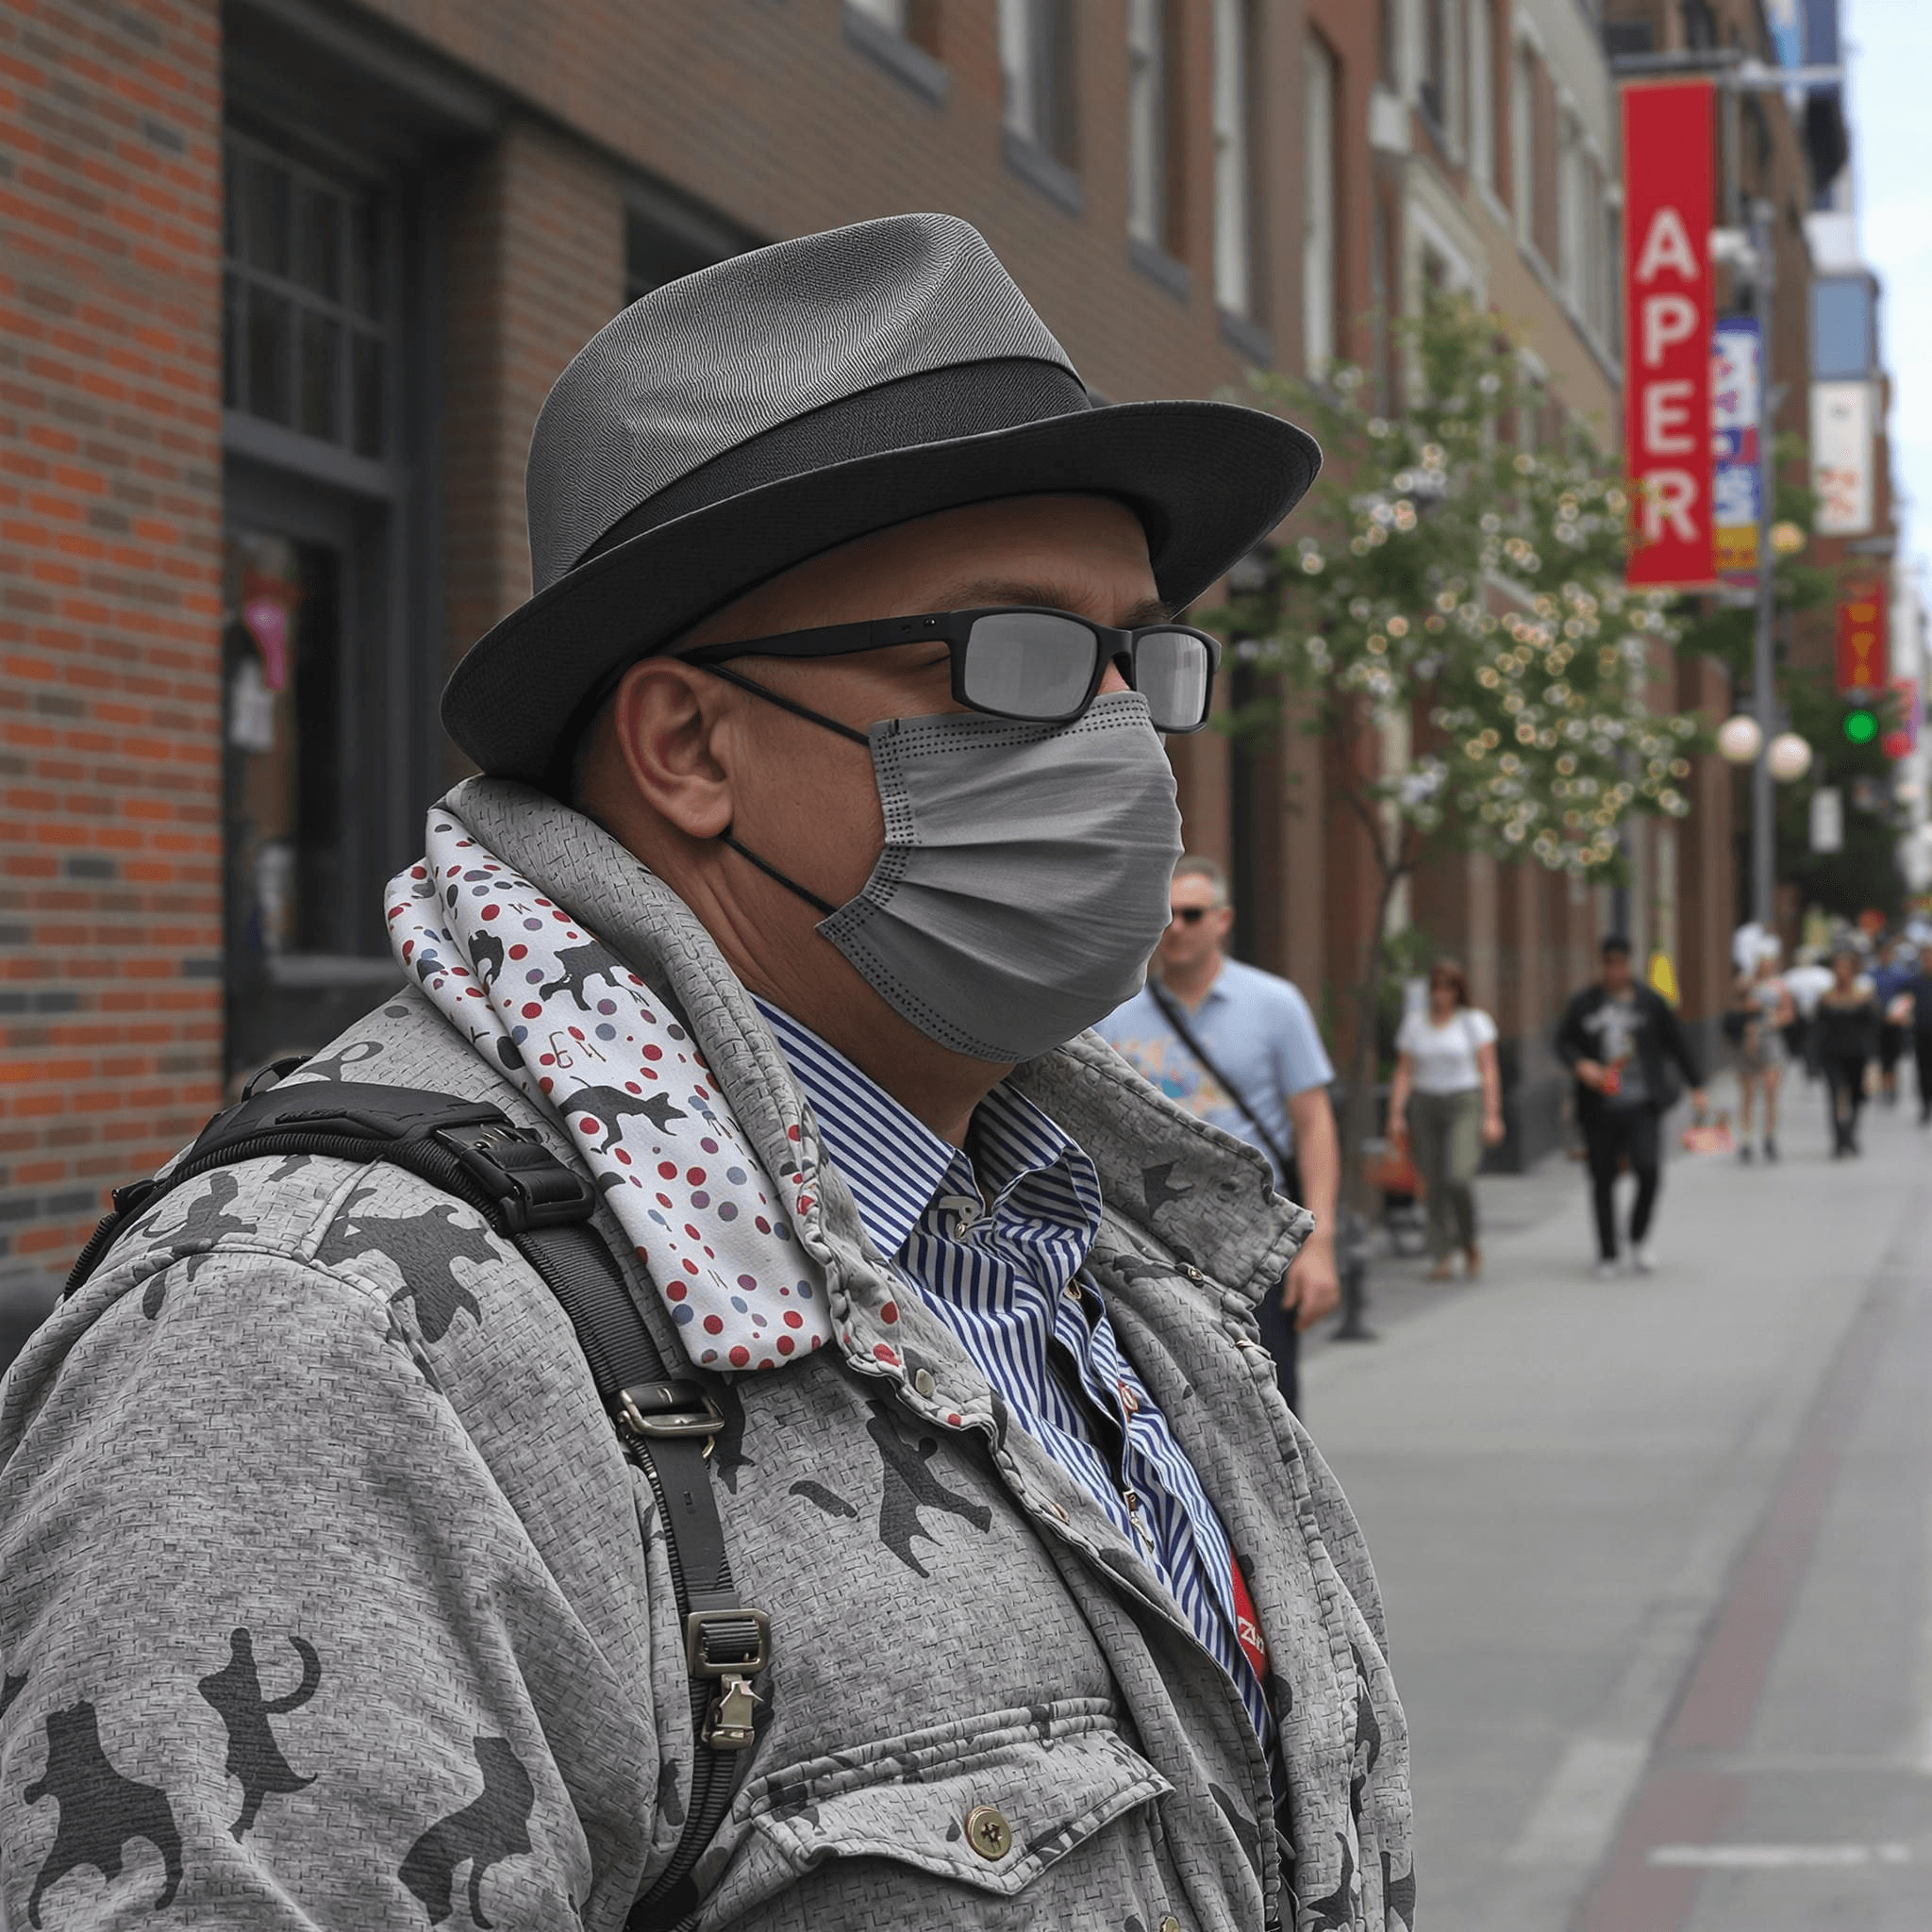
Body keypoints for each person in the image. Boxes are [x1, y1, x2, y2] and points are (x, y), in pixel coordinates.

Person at [0, 218, 1411, 1929]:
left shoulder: (1087, 1254)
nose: (1116, 732)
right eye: (1012, 657)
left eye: (1130, 658)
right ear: (687, 745)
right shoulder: (325, 1341)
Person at [1094, 856, 1341, 1415]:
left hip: (1254, 1238)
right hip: (1147, 1239)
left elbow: (1314, 1124)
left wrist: (1319, 1246)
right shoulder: (1115, 1012)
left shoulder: (1274, 1005)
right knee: (1161, 1403)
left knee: (1265, 1398)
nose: (1176, 927)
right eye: (1166, 915)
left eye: (1192, 914)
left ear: (1222, 920)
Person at [1555, 935, 1707, 1278]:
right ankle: (1608, 1252)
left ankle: (1637, 1237)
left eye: (1620, 962)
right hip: (1599, 1106)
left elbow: (1676, 1043)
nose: (1614, 969)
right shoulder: (1585, 1005)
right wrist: (1582, 1065)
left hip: (1642, 1104)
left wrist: (1697, 1085)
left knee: (1649, 1169)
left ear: (1629, 963)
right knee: (1602, 1178)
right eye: (1608, 962)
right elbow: (1562, 1042)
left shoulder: (1650, 1003)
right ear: (1601, 964)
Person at [1385, 958, 1505, 1280]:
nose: (1442, 994)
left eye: (1448, 987)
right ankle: (1441, 1254)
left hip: (1464, 1101)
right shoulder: (1415, 1023)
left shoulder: (1473, 1022)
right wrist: (1396, 1113)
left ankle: (1468, 1240)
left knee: (1457, 1177)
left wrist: (1492, 1114)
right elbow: (1404, 1071)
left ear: (1458, 990)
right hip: (1425, 1104)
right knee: (1433, 1183)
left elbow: (1489, 1068)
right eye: (1436, 986)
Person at [1724, 946, 1794, 1163]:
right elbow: (1734, 1004)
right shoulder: (1746, 982)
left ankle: (1769, 1137)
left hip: (1769, 1040)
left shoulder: (1779, 986)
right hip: (1747, 1040)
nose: (1765, 966)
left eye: (1768, 962)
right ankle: (1745, 1139)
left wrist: (1774, 1020)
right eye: (1761, 962)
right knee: (1747, 1092)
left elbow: (1789, 1013)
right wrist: (1746, 1000)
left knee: (1771, 1090)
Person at [1816, 944, 1881, 1157]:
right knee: (1835, 1096)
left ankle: (1851, 1133)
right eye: (1838, 967)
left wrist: (1874, 1057)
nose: (1841, 972)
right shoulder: (1825, 997)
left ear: (1853, 970)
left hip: (1857, 1054)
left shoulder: (1864, 996)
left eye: (1846, 968)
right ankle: (1839, 1138)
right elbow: (1817, 1029)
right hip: (1832, 1054)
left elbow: (1874, 1026)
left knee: (1855, 1097)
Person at [1873, 939, 1915, 1106]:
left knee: (1893, 1058)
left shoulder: (1900, 974)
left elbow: (1907, 997)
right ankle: (1884, 1086)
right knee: (1881, 1057)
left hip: (1895, 1021)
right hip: (1877, 1021)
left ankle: (1892, 1087)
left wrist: (1902, 1014)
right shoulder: (1872, 974)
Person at [1782, 945, 1833, 1080]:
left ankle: (1812, 1065)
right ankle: (1811, 1064)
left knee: (1812, 1041)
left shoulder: (1821, 975)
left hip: (1818, 1014)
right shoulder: (1791, 975)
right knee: (1809, 1041)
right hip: (1801, 1015)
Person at [1908, 942, 1932, 1124]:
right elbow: (1903, 1003)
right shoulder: (1915, 981)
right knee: (1923, 1070)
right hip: (1921, 1032)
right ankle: (1925, 1104)